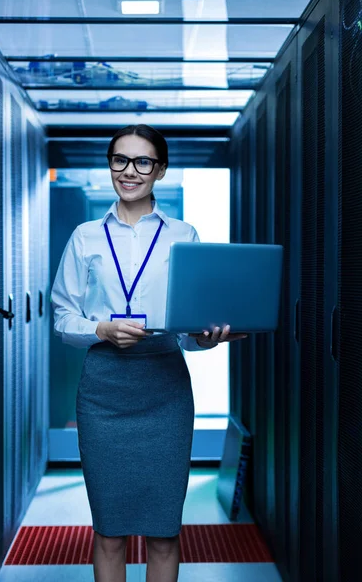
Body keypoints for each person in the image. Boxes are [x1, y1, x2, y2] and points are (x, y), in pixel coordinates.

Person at [51, 124, 247, 582]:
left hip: (165, 390)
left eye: (143, 161)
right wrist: (100, 328)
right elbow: (61, 317)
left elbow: (189, 326)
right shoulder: (85, 237)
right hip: (103, 392)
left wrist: (207, 336)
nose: (130, 171)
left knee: (164, 532)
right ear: (110, 165)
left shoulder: (184, 234)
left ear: (159, 169)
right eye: (120, 159)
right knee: (109, 532)